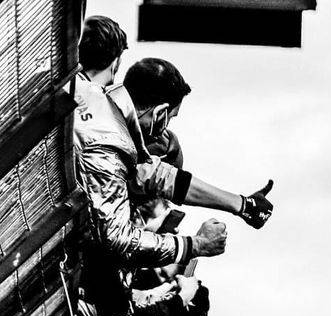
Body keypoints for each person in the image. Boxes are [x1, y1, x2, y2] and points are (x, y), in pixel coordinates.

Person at [75, 17, 273, 271]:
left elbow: (157, 175)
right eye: (169, 120)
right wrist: (195, 245)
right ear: (159, 114)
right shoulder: (111, 142)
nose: (163, 133)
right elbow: (117, 239)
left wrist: (241, 204)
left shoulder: (88, 97)